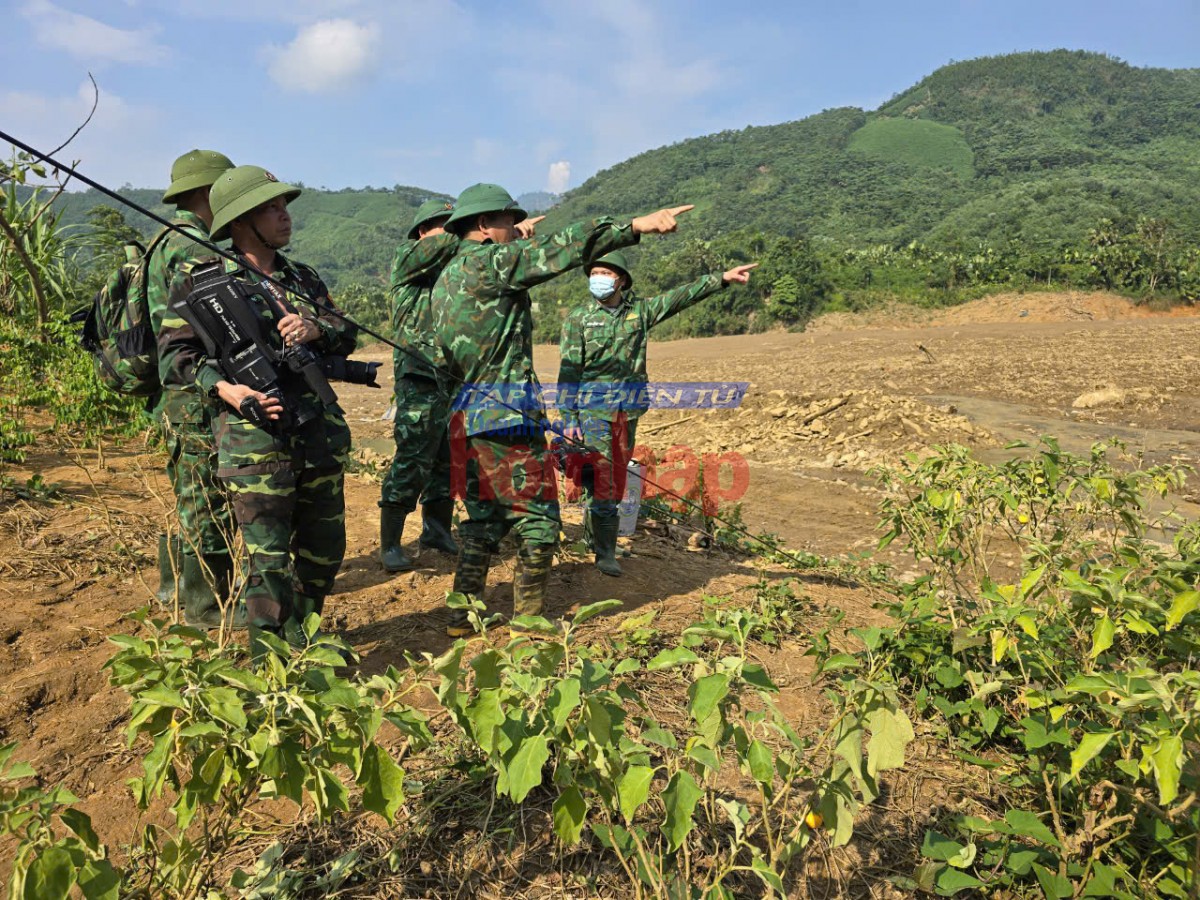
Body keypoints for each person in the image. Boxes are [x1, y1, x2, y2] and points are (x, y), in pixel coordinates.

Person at [431, 182, 695, 636]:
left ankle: (461, 617)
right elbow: (564, 247)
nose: (515, 230)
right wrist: (633, 227)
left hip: (467, 415)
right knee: (538, 521)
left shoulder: (446, 279)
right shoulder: (491, 264)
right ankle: (529, 621)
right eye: (508, 223)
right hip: (509, 417)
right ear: (483, 226)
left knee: (484, 518)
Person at [159, 165, 357, 654]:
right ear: (241, 220)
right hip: (256, 441)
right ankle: (269, 663)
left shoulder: (301, 277)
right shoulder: (199, 283)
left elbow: (346, 332)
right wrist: (226, 389)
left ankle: (304, 639)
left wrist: (316, 329)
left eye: (283, 205)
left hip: (318, 434)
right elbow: (174, 356)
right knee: (268, 565)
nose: (284, 215)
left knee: (323, 552)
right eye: (272, 208)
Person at [557, 252, 757, 576]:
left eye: (605, 272)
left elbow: (678, 298)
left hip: (628, 410)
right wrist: (568, 419)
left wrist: (720, 279)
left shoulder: (640, 312)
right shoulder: (578, 318)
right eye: (594, 272)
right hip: (593, 410)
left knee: (615, 480)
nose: (598, 277)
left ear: (621, 279)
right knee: (604, 480)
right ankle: (605, 552)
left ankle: (597, 540)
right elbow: (568, 372)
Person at [149, 149, 240, 627]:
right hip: (195, 391)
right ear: (211, 192)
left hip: (174, 391)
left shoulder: (164, 238)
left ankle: (174, 586)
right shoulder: (194, 245)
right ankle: (206, 605)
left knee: (188, 488)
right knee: (206, 494)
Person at [378, 199, 461, 572]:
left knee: (448, 460)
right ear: (421, 233)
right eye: (441, 225)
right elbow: (442, 245)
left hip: (453, 381)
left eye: (453, 223)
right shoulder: (407, 260)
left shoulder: (452, 276)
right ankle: (391, 543)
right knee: (412, 460)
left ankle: (437, 530)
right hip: (420, 381)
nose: (449, 231)